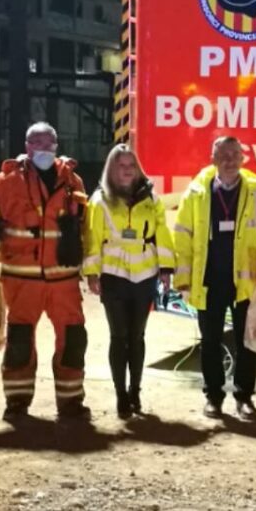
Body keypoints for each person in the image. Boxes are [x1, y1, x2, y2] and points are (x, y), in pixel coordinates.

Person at [171, 136, 256, 419]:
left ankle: (244, 397)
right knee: (209, 341)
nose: (229, 160)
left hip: (245, 282)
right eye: (223, 155)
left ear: (243, 158)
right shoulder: (196, 193)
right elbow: (182, 236)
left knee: (247, 341)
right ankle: (214, 396)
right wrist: (182, 278)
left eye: (235, 154)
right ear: (212, 158)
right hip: (208, 280)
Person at [0, 122, 92, 420]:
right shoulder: (5, 182)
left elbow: (84, 228)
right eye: (37, 142)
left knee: (74, 338)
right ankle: (17, 403)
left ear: (57, 145)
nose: (44, 148)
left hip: (63, 278)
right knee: (20, 340)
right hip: (22, 277)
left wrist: (87, 267)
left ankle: (71, 401)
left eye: (49, 142)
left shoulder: (73, 182)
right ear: (26, 146)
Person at [83, 144, 175, 418]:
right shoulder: (99, 201)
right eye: (121, 166)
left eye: (131, 166)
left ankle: (135, 390)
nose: (127, 171)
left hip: (144, 277)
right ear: (112, 169)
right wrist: (91, 272)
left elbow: (162, 235)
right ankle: (121, 394)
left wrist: (167, 269)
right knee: (118, 336)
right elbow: (92, 239)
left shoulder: (152, 200)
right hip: (114, 278)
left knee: (137, 337)